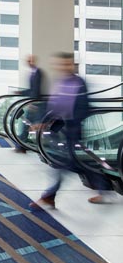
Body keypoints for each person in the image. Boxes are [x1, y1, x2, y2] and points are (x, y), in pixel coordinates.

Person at [30, 52, 111, 210]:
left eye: (66, 64)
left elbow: (84, 107)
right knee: (75, 164)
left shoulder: (79, 83)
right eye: (60, 64)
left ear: (72, 64)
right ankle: (103, 188)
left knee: (64, 164)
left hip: (73, 130)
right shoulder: (61, 82)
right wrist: (42, 121)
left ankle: (49, 196)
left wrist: (70, 123)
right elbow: (54, 105)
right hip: (60, 129)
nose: (63, 67)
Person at [14, 54, 45, 153]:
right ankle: (21, 146)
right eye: (28, 61)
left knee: (26, 125)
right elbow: (31, 90)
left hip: (35, 104)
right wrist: (21, 92)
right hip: (33, 103)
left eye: (30, 60)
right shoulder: (32, 73)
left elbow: (36, 90)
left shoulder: (38, 72)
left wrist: (32, 103)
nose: (29, 62)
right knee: (27, 125)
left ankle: (21, 146)